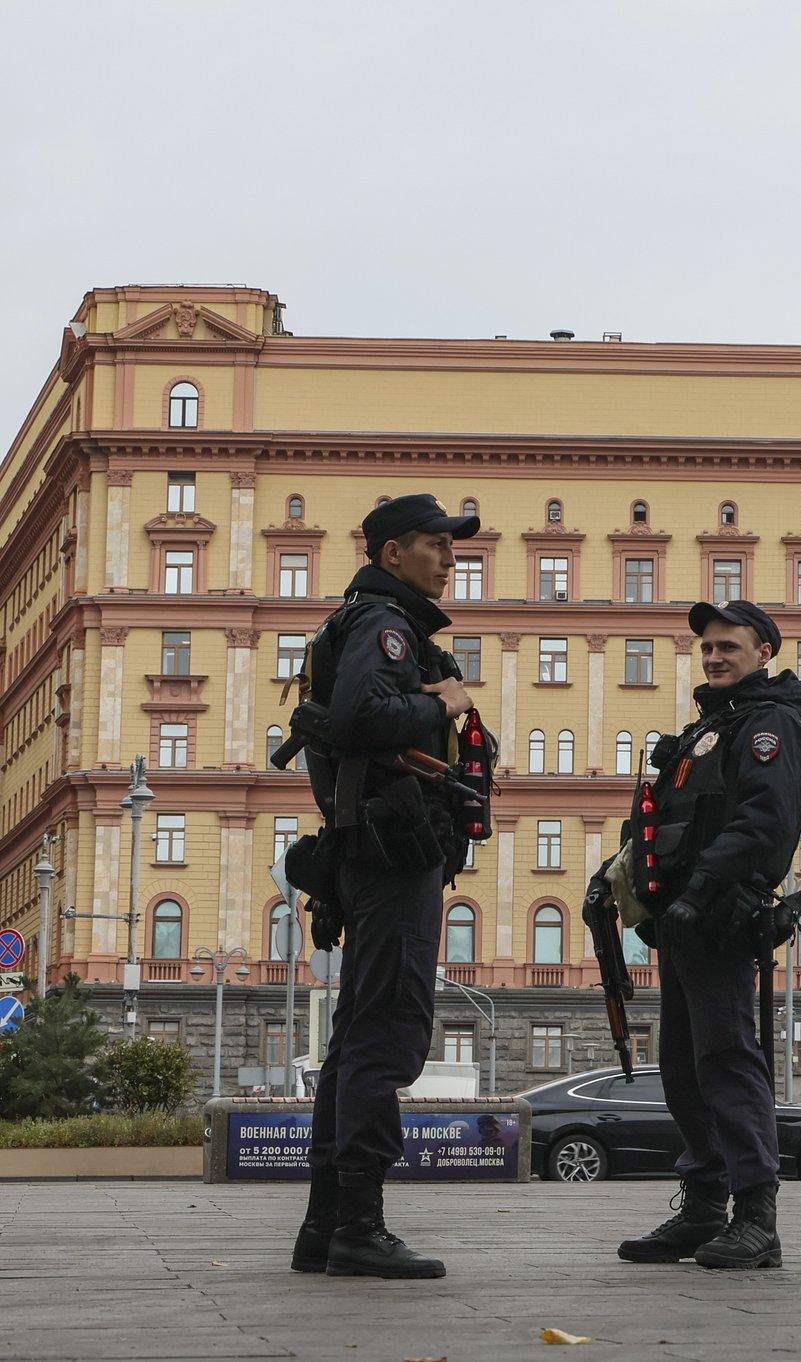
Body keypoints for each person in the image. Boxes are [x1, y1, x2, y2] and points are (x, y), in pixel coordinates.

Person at [289, 493, 477, 1280]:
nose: (451, 557)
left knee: (355, 1041)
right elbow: (364, 717)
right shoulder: (383, 625)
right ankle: (359, 1228)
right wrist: (441, 700)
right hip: (394, 852)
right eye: (436, 544)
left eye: (452, 545)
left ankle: (326, 1226)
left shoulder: (368, 622)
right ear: (392, 553)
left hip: (376, 850)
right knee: (387, 1035)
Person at [617, 599, 801, 1270]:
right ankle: (703, 1208)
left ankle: (757, 1216)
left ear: (764, 651)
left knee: (728, 1064)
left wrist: (701, 889)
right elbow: (662, 822)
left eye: (728, 645)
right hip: (678, 922)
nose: (714, 656)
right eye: (706, 646)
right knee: (683, 1068)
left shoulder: (771, 725)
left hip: (722, 918)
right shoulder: (709, 729)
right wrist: (612, 881)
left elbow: (765, 823)